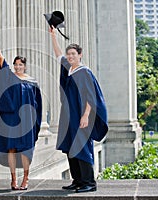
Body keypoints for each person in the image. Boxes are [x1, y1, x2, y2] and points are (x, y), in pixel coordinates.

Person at [49, 26, 108, 193]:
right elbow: (58, 54)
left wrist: (86, 116)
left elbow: (91, 96)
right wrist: (53, 36)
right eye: (69, 54)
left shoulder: (84, 72)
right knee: (70, 147)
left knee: (82, 147)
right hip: (69, 115)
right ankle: (77, 180)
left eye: (73, 54)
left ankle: (89, 182)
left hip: (81, 116)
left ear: (80, 55)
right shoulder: (69, 70)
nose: (70, 56)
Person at [0, 30, 42, 190]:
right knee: (11, 148)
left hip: (27, 120)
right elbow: (0, 57)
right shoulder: (10, 76)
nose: (18, 66)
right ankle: (13, 179)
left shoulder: (32, 82)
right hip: (11, 120)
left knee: (25, 150)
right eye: (16, 64)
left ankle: (25, 178)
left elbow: (37, 105)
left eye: (20, 64)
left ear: (25, 66)